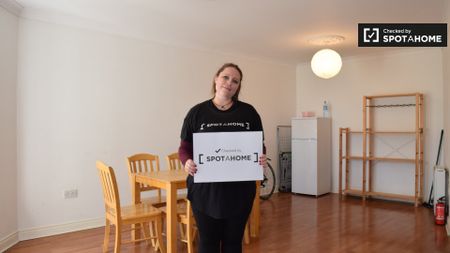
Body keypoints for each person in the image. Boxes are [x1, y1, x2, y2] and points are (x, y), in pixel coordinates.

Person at [178, 63, 267, 253]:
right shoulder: (196, 112)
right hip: (205, 192)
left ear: (238, 86)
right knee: (208, 242)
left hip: (239, 192)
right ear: (216, 79)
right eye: (226, 77)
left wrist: (261, 158)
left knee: (233, 243)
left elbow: (259, 145)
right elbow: (185, 147)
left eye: (235, 81)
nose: (229, 83)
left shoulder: (249, 113)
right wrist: (186, 161)